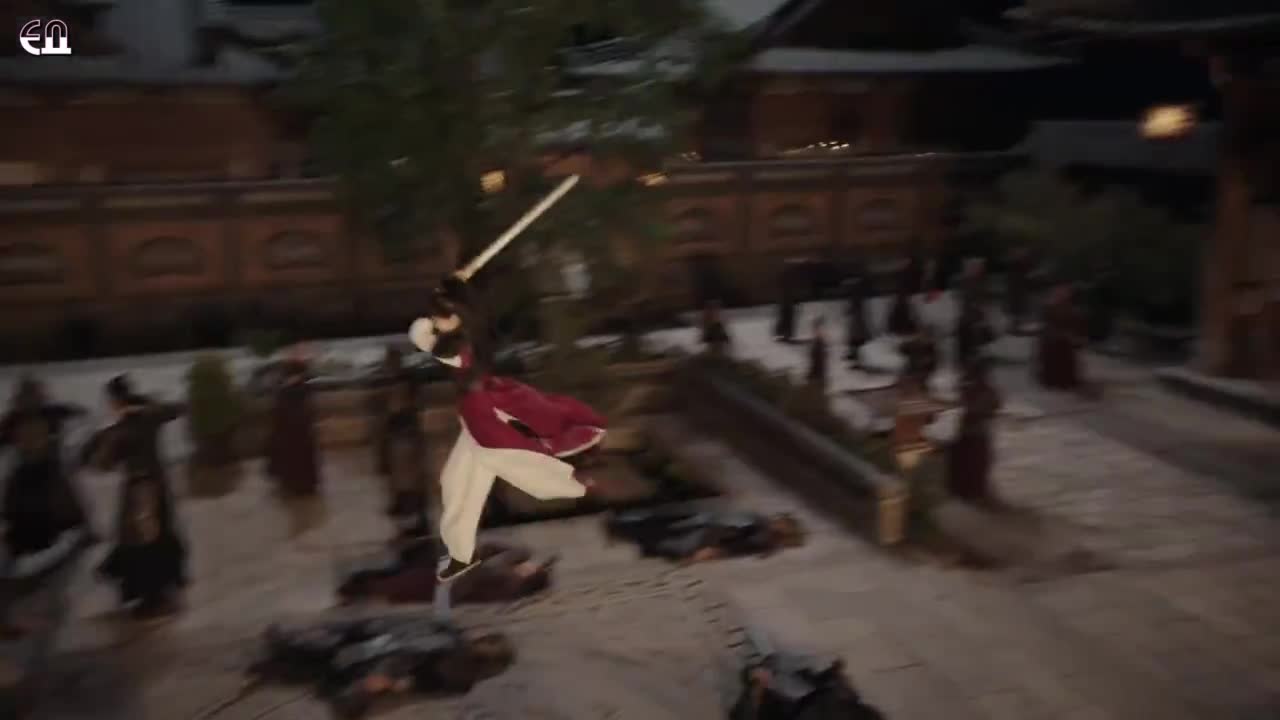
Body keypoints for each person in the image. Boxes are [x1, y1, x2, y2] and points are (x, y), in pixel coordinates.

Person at [408, 273, 605, 582]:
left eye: (440, 317)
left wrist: (435, 302)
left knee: (521, 469)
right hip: (476, 418)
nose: (436, 321)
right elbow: (428, 330)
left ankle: (577, 484)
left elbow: (420, 334)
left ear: (456, 317)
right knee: (456, 484)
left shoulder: (456, 347)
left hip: (487, 421)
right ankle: (461, 556)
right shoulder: (468, 333)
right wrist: (441, 296)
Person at [251, 617, 514, 718]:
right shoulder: (445, 640)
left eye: (482, 670)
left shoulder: (457, 686)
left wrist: (392, 687)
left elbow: (416, 689)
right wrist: (380, 677)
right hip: (369, 645)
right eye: (474, 661)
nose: (472, 670)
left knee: (310, 680)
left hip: (371, 669)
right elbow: (393, 645)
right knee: (303, 648)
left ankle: (273, 667)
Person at [82, 375, 187, 620]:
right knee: (153, 537)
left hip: (140, 489)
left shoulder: (124, 427)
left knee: (142, 542)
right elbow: (178, 408)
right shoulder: (145, 417)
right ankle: (156, 591)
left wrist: (104, 439)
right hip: (155, 485)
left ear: (115, 400)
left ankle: (152, 599)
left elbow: (102, 464)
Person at [0, 377, 93, 559]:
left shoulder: (51, 413)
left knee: (60, 501)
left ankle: (75, 536)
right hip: (25, 472)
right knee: (21, 509)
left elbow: (81, 415)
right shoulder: (13, 420)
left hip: (49, 469)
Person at [337, 540, 554, 606]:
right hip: (440, 577)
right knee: (401, 578)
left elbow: (484, 566)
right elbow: (515, 550)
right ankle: (362, 585)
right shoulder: (509, 575)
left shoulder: (507, 583)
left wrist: (511, 558)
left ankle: (360, 588)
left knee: (399, 584)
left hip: (440, 584)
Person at [604, 508, 804, 564]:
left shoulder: (761, 537)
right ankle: (620, 528)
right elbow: (727, 536)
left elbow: (729, 545)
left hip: (702, 535)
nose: (776, 519)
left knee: (660, 536)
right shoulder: (761, 531)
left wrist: (703, 553)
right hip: (702, 533)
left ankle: (621, 528)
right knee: (660, 534)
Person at [730, 651, 885, 720]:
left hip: (822, 705)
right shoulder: (758, 700)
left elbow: (819, 680)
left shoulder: (779, 669)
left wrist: (832, 673)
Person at [266, 348, 322, 497]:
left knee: (294, 457)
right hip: (300, 426)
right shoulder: (303, 386)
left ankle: (296, 485)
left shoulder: (286, 388)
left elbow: (279, 408)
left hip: (290, 427)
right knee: (302, 457)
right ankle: (304, 485)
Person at [946, 357, 1002, 502]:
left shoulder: (982, 390)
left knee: (973, 462)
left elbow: (991, 407)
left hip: (973, 432)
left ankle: (970, 490)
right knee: (969, 462)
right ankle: (968, 490)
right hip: (969, 432)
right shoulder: (971, 387)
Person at [1035, 282, 1085, 391]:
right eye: (1059, 293)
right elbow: (1047, 324)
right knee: (1054, 349)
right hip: (1052, 338)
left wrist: (1074, 335)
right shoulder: (1049, 307)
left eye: (1065, 293)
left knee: (1066, 351)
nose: (1062, 295)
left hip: (1064, 338)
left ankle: (1065, 379)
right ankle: (1052, 378)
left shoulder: (1071, 309)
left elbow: (1075, 324)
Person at [842, 268, 870, 364]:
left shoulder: (856, 300)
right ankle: (856, 356)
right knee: (856, 335)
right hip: (858, 325)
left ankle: (856, 356)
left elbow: (853, 307)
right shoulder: (857, 300)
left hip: (857, 326)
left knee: (856, 335)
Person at [773, 265, 797, 344]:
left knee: (786, 318)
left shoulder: (787, 284)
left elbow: (790, 294)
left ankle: (786, 334)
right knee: (785, 318)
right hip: (786, 304)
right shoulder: (786, 284)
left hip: (787, 304)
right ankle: (785, 334)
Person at [806, 316, 828, 391]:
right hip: (818, 375)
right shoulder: (818, 343)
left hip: (818, 376)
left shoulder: (819, 343)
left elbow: (819, 361)